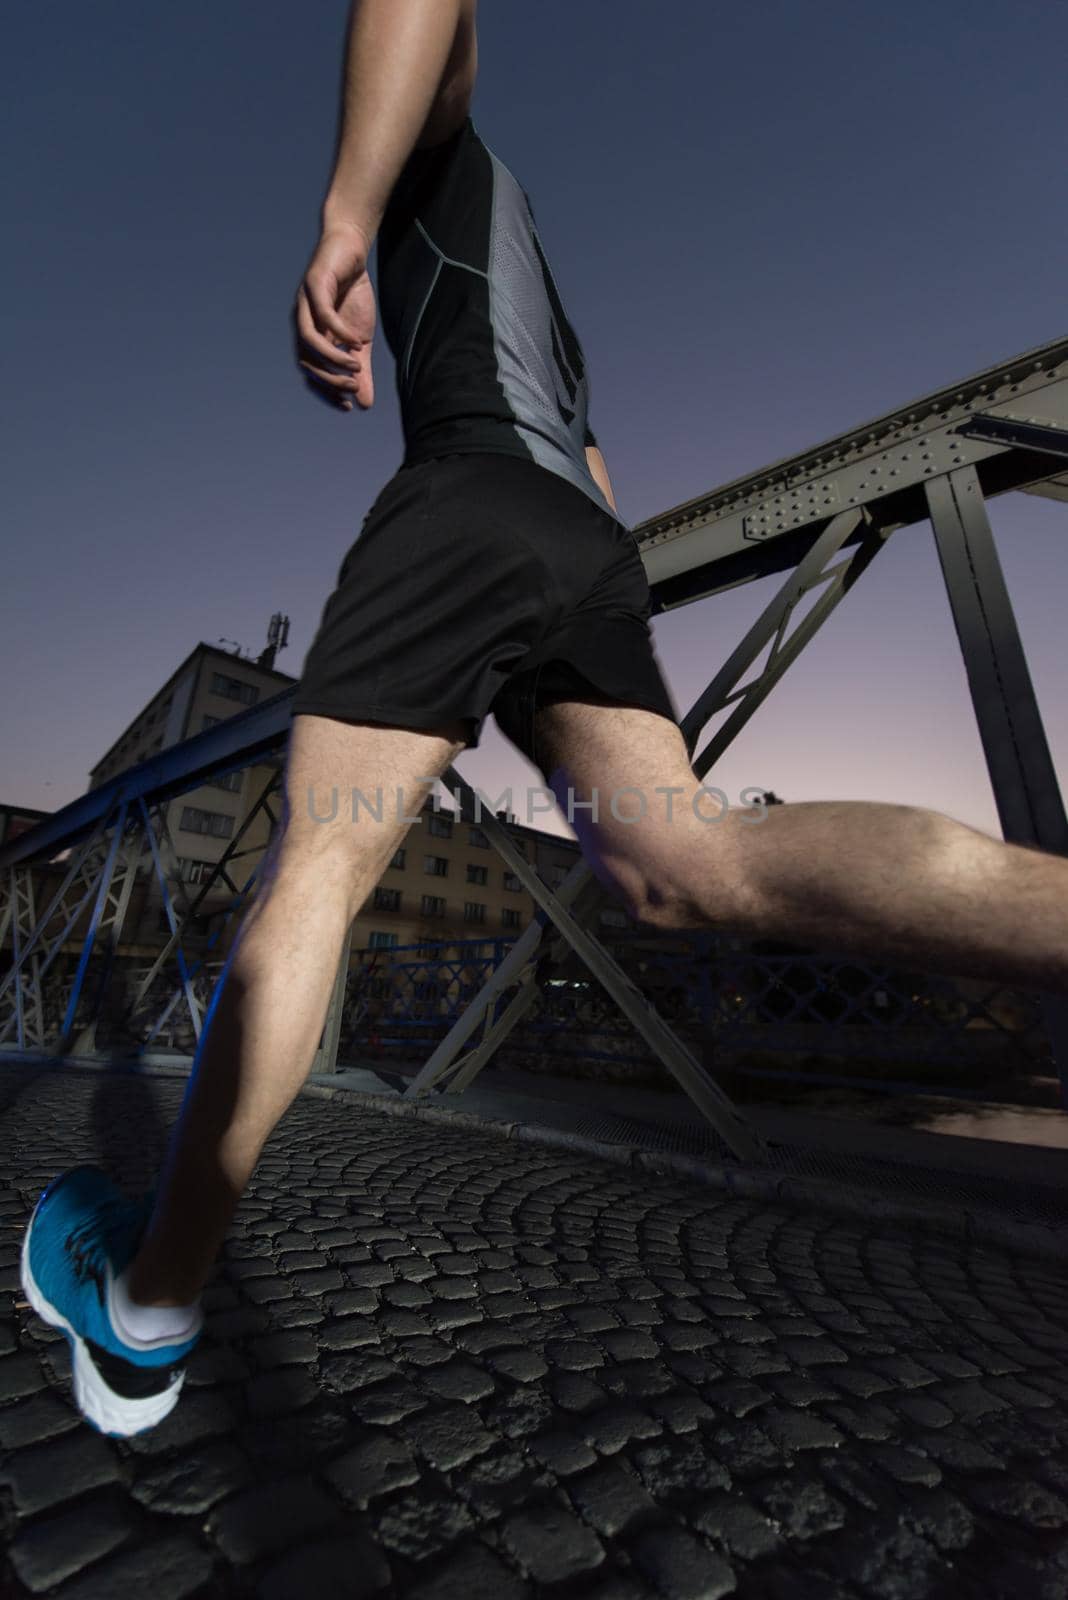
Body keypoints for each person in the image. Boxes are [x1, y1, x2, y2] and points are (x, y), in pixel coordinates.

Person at [21, 0, 1068, 1437]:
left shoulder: (443, 171)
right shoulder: (545, 294)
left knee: (319, 870)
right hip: (583, 539)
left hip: (467, 498)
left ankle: (149, 1302)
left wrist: (344, 213)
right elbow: (592, 465)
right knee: (693, 865)